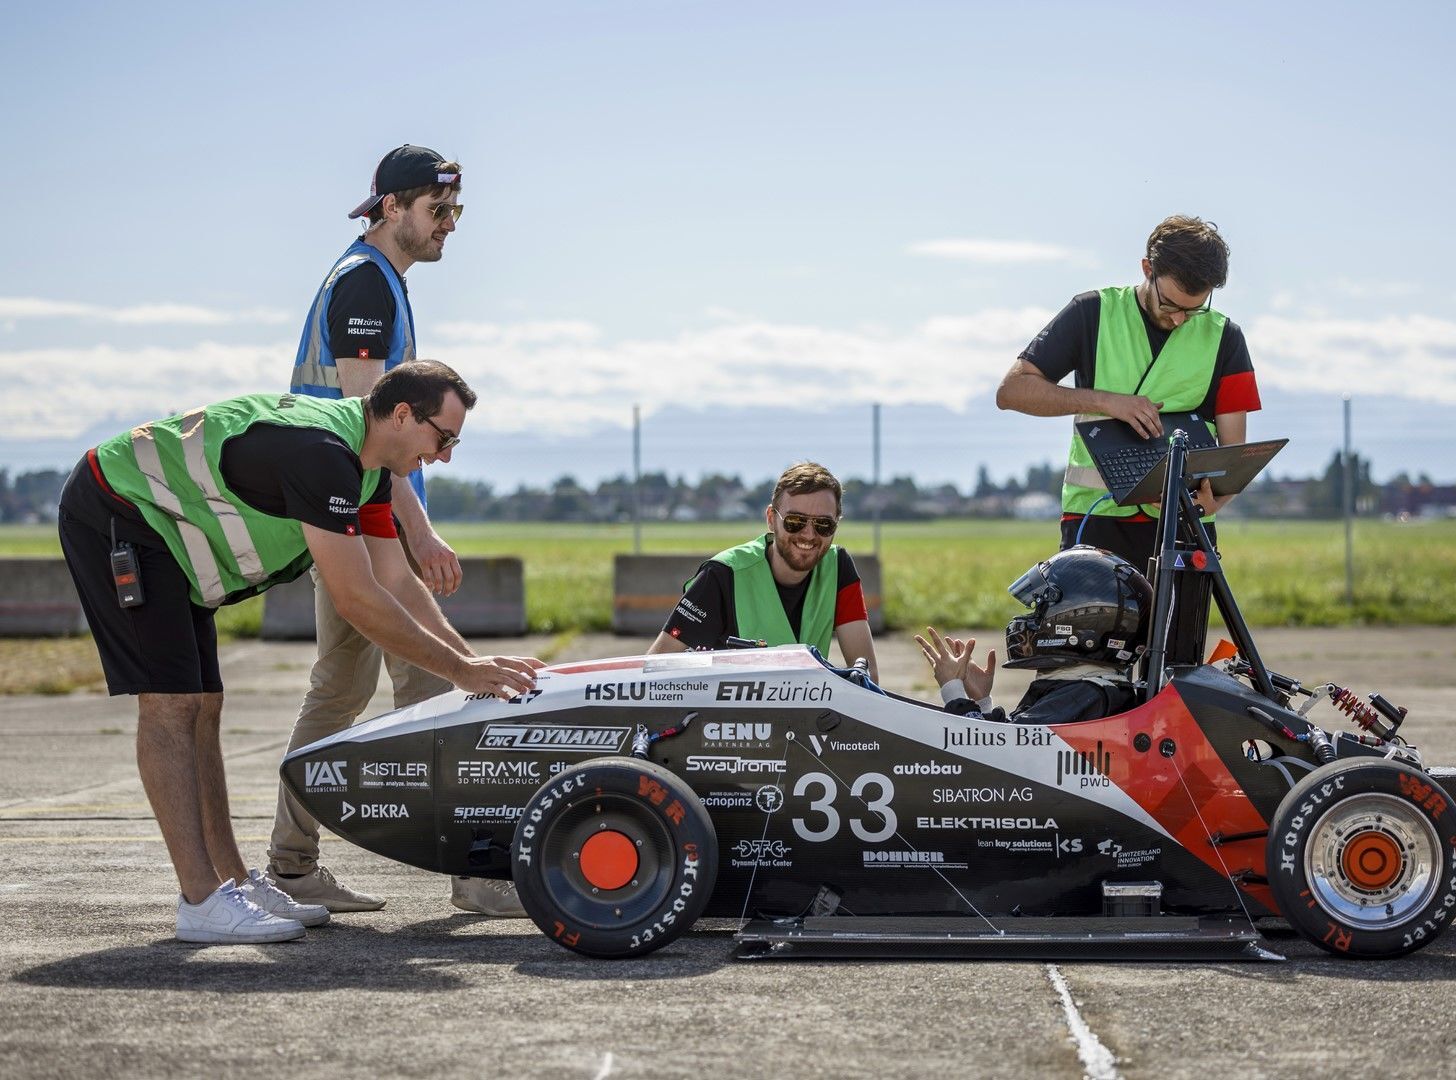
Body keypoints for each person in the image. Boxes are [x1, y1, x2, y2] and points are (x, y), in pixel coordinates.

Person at [56, 360, 544, 944]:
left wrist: (473, 666)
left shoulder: (366, 469)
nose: (445, 457)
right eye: (444, 438)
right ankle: (201, 900)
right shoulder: (323, 456)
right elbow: (359, 600)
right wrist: (463, 671)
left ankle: (232, 880)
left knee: (204, 704)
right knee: (170, 705)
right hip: (119, 510)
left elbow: (396, 581)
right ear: (403, 415)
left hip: (170, 536)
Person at [277, 145, 513, 916]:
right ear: (390, 209)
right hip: (351, 509)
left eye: (457, 212)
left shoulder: (379, 283)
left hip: (354, 506)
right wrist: (420, 533)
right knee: (437, 683)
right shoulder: (366, 289)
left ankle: (291, 867)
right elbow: (374, 431)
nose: (449, 226)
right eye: (436, 211)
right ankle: (474, 874)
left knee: (348, 686)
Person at [995, 215, 1263, 665]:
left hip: (1182, 530)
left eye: (1193, 309)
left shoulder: (1226, 338)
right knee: (1086, 670)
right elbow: (1012, 391)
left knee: (1175, 671)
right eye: (1170, 304)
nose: (1180, 319)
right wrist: (1106, 401)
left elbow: (1230, 456)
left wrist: (1213, 501)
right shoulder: (1091, 312)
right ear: (1146, 269)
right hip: (1094, 527)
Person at [648, 462, 879, 681]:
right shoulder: (722, 575)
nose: (809, 535)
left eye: (823, 525)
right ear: (771, 519)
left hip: (804, 715)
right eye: (795, 521)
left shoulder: (838, 567)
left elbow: (867, 677)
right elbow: (654, 667)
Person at [914, 546, 1151, 724]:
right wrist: (981, 701)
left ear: (1076, 622)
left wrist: (952, 688)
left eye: (1040, 609)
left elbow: (997, 757)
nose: (1032, 619)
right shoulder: (1090, 688)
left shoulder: (1085, 694)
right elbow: (1014, 743)